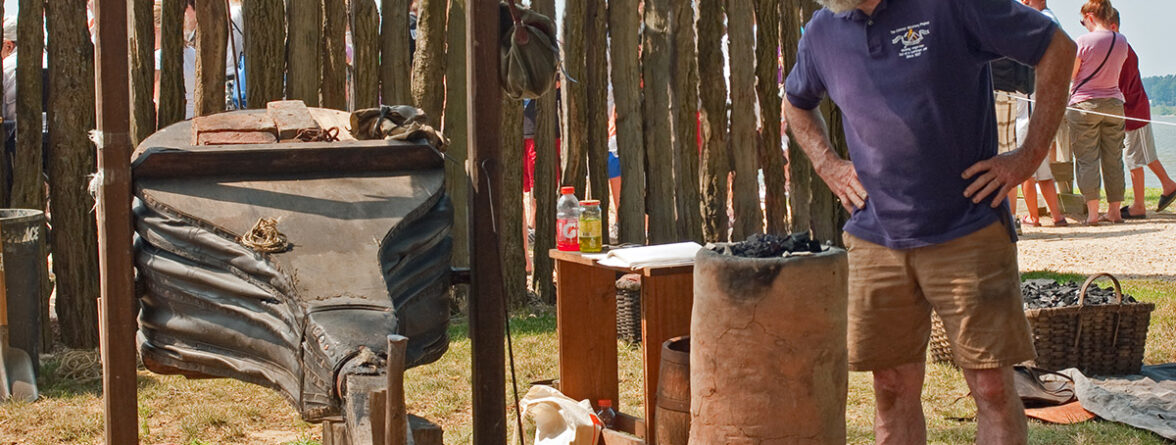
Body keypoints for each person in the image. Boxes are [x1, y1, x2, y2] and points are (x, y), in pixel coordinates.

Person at [783, 0, 1075, 444]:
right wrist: (829, 166)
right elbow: (795, 102)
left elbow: (1057, 46)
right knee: (890, 389)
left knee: (993, 387)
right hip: (875, 236)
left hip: (968, 228)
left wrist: (1027, 157)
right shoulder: (823, 31)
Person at [1067, 0, 1129, 225]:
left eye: (1083, 20)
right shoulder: (1122, 41)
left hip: (1085, 104)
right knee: (1114, 158)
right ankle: (1115, 210)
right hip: (1114, 103)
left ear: (1090, 16)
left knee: (1087, 159)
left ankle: (1093, 213)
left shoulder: (1082, 41)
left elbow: (1073, 74)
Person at [1110, 9, 1176, 217]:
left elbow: (1123, 86)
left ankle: (1139, 205)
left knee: (1134, 158)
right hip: (1136, 109)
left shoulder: (1123, 51)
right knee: (1145, 154)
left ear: (1113, 27)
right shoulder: (1124, 49)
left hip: (1132, 111)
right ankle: (1168, 185)